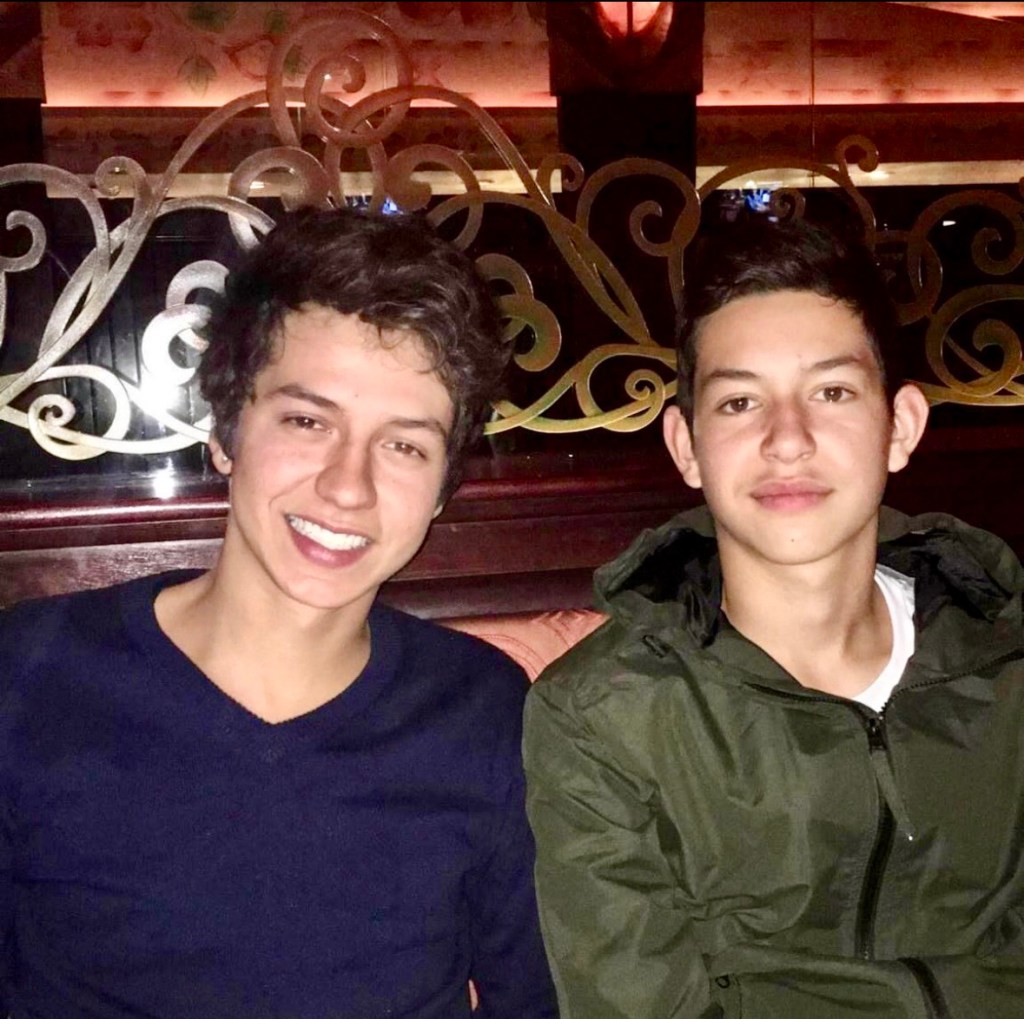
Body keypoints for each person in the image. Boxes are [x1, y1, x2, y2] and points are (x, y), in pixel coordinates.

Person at [0, 208, 557, 1019]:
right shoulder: (31, 674)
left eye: (404, 444)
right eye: (306, 420)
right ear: (227, 431)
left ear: (443, 487)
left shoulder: (484, 710)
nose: (347, 485)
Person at [523, 217, 1024, 1018]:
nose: (787, 440)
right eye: (740, 401)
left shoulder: (1007, 661)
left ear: (900, 426)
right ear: (687, 445)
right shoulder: (601, 715)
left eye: (832, 392)